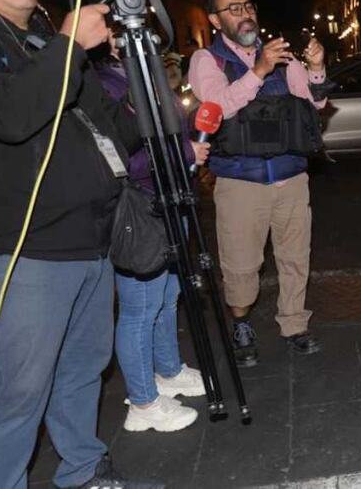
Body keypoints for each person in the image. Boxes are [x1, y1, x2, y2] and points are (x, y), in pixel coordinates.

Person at [0, 0, 157, 488]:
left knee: (83, 371)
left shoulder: (40, 36)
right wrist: (67, 43)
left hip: (92, 240)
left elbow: (109, 128)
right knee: (17, 394)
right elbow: (10, 116)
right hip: (28, 253)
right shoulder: (19, 42)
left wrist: (145, 86)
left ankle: (82, 472)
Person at [188, 0, 328, 367]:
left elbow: (314, 106)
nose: (245, 13)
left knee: (295, 257)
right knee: (241, 263)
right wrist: (259, 71)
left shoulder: (282, 56)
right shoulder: (208, 60)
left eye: (248, 6)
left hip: (291, 178)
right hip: (240, 181)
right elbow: (219, 106)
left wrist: (316, 70)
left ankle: (294, 324)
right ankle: (241, 322)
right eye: (233, 9)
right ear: (216, 20)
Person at [94, 41, 210, 433]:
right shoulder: (102, 83)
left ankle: (168, 370)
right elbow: (123, 154)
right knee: (140, 307)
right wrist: (188, 154)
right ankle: (142, 402)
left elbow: (168, 132)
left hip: (169, 199)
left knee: (168, 294)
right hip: (141, 206)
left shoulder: (143, 74)